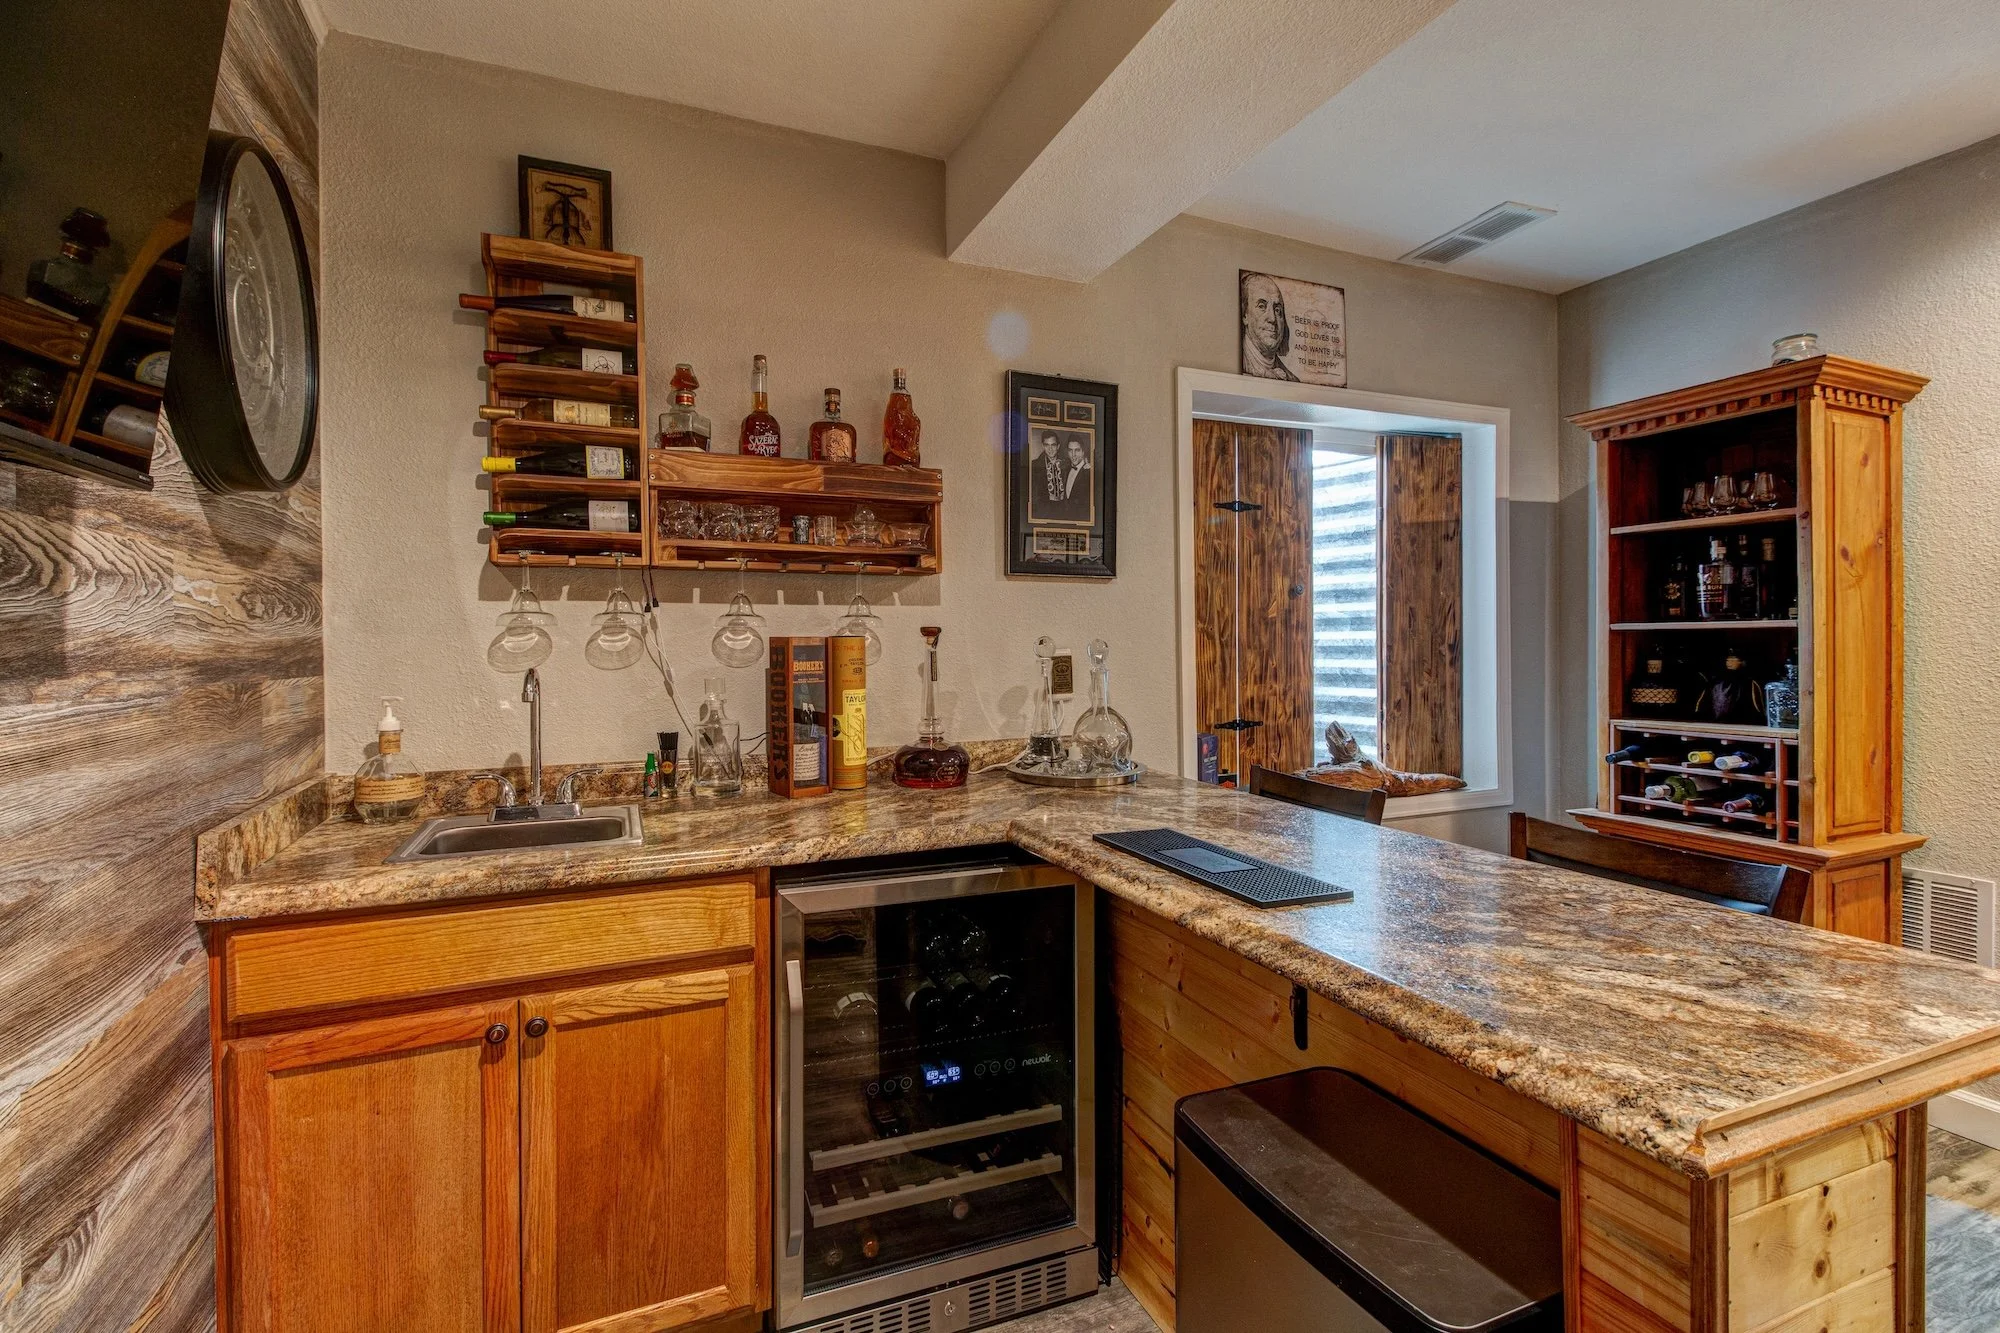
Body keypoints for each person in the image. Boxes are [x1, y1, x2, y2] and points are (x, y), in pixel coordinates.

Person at [1240, 273, 1299, 381]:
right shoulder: (1239, 364)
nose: (1272, 318)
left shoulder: (1292, 380)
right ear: (1245, 315)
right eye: (1261, 306)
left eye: (1277, 310)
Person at [1029, 431, 1066, 523]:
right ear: (1043, 446)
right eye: (1047, 445)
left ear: (1058, 446)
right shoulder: (1034, 465)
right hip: (1044, 511)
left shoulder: (1067, 463)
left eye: (1053, 445)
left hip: (1064, 510)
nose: (1050, 449)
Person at [1055, 436, 1093, 523]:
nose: (1073, 455)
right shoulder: (1065, 469)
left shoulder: (1090, 473)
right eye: (1070, 450)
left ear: (1083, 452)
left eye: (1077, 450)